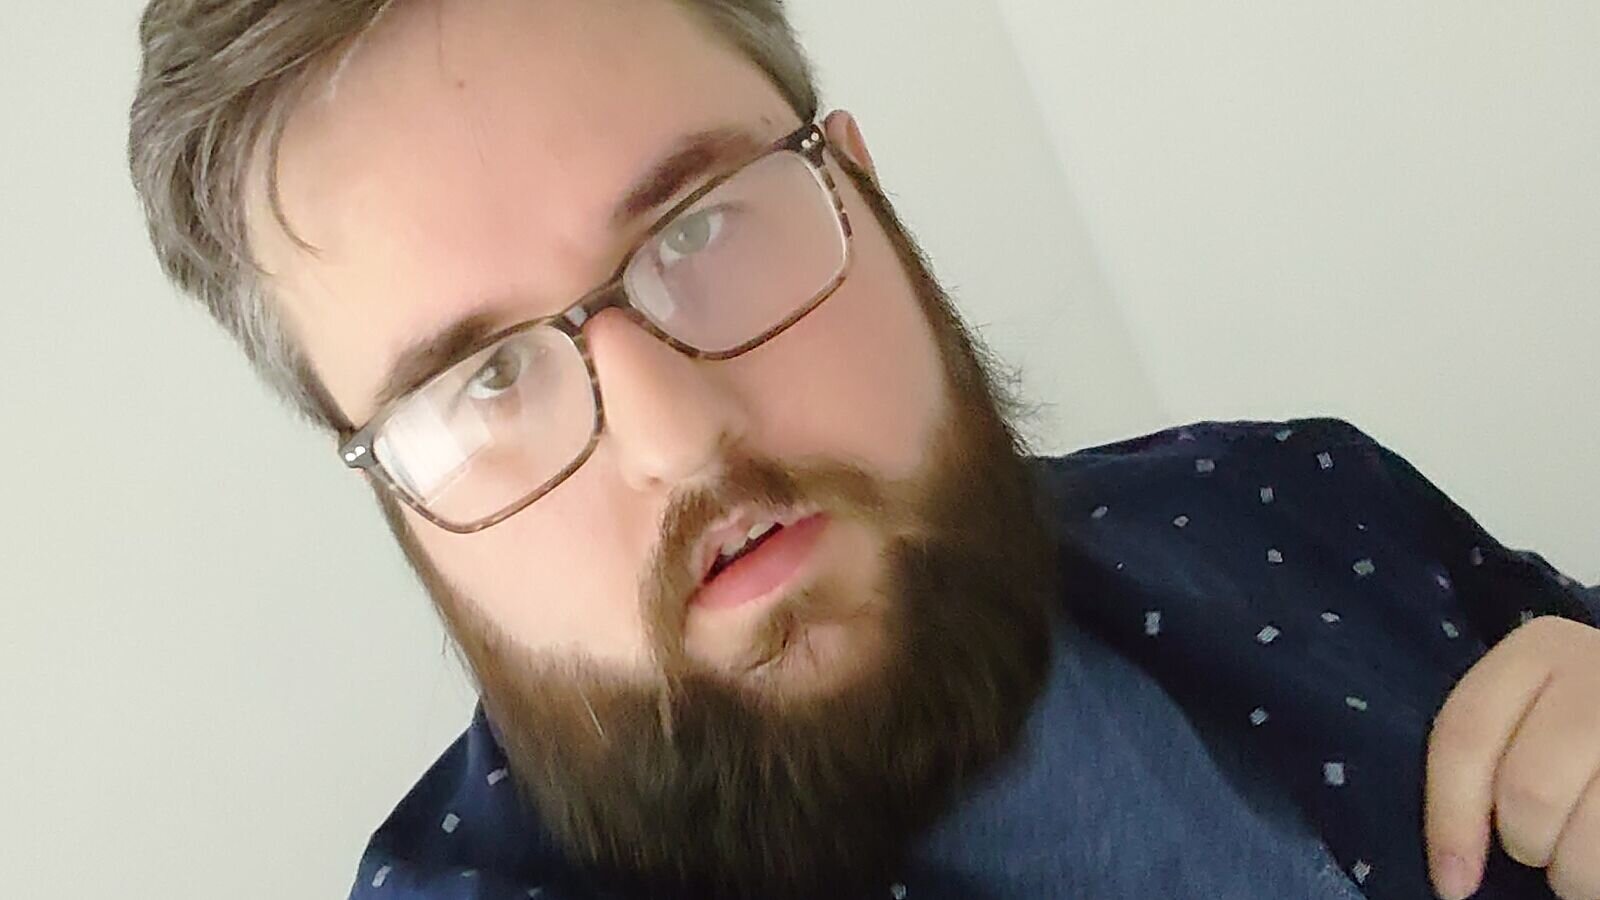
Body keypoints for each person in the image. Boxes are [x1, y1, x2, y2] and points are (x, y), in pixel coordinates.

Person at [126, 1, 1600, 898]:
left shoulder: (1304, 500)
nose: (677, 436)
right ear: (397, 504)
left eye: (696, 229)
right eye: (486, 382)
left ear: (864, 196)